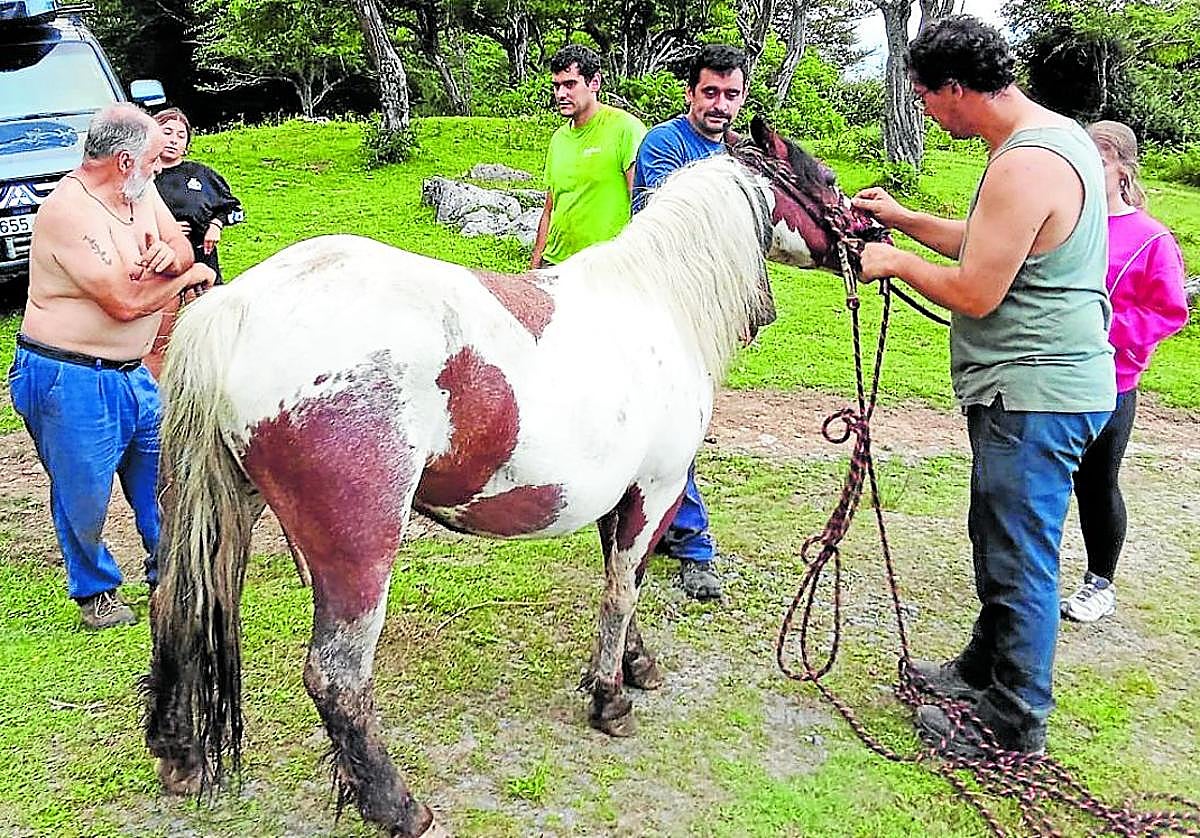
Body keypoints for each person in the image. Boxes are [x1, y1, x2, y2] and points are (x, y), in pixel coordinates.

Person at [851, 17, 1115, 755]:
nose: (926, 110)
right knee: (998, 536)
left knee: (1017, 554)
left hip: (1035, 392)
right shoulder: (1051, 139)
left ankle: (1013, 720)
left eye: (927, 97)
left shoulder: (1025, 164)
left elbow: (974, 290)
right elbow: (990, 239)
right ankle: (983, 667)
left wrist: (894, 262)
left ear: (959, 90)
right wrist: (902, 220)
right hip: (1040, 387)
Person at [8, 103, 215, 630]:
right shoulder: (68, 212)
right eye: (149, 157)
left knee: (161, 478)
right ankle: (95, 592)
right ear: (124, 160)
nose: (158, 165)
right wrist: (188, 279)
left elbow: (179, 242)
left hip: (132, 373)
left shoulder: (139, 195)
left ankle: (168, 573)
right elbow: (123, 302)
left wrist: (173, 259)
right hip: (68, 376)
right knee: (85, 493)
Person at [631, 43, 749, 601]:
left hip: (711, 314)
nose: (719, 105)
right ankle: (694, 546)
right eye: (710, 93)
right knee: (674, 429)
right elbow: (661, 229)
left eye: (730, 94)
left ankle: (660, 527)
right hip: (660, 308)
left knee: (676, 427)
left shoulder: (742, 159)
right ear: (691, 94)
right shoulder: (665, 144)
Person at [1059, 121, 1189, 623]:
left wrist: (1107, 333)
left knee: (1095, 483)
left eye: (1100, 159)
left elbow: (1169, 310)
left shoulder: (1150, 237)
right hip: (1056, 377)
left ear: (1123, 170)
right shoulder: (1067, 221)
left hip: (1112, 384)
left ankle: (1099, 582)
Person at [145, 106, 244, 377]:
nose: (174, 139)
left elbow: (234, 208)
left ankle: (208, 378)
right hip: (158, 268)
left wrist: (216, 224)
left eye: (181, 135)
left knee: (206, 331)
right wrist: (164, 230)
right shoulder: (142, 177)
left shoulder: (202, 174)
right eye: (167, 132)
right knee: (160, 337)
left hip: (202, 262)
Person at [529, 44, 646, 269]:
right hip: (555, 263)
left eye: (570, 84)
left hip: (603, 268)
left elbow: (640, 205)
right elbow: (549, 210)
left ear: (594, 83)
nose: (561, 94)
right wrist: (534, 268)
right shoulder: (559, 138)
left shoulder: (625, 129)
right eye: (556, 86)